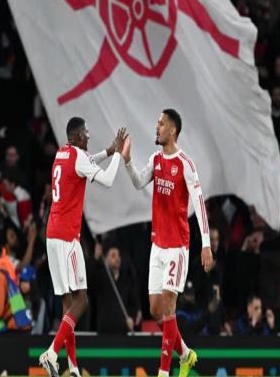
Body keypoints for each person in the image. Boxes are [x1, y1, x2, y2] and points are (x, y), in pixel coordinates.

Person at [122, 108, 213, 377]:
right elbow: (139, 182)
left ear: (172, 130)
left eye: (161, 124)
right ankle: (184, 354)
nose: (157, 127)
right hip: (157, 245)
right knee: (155, 310)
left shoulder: (185, 164)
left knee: (169, 307)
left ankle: (164, 372)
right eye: (157, 123)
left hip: (177, 247)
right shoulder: (156, 159)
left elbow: (199, 204)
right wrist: (127, 161)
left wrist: (206, 244)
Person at [38, 118, 128, 377]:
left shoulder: (62, 153)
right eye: (86, 132)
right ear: (78, 136)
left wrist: (107, 151)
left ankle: (73, 367)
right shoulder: (78, 157)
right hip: (68, 238)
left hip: (52, 235)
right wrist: (118, 155)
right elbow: (107, 180)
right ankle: (52, 352)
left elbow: (86, 161)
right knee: (82, 300)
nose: (88, 135)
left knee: (68, 304)